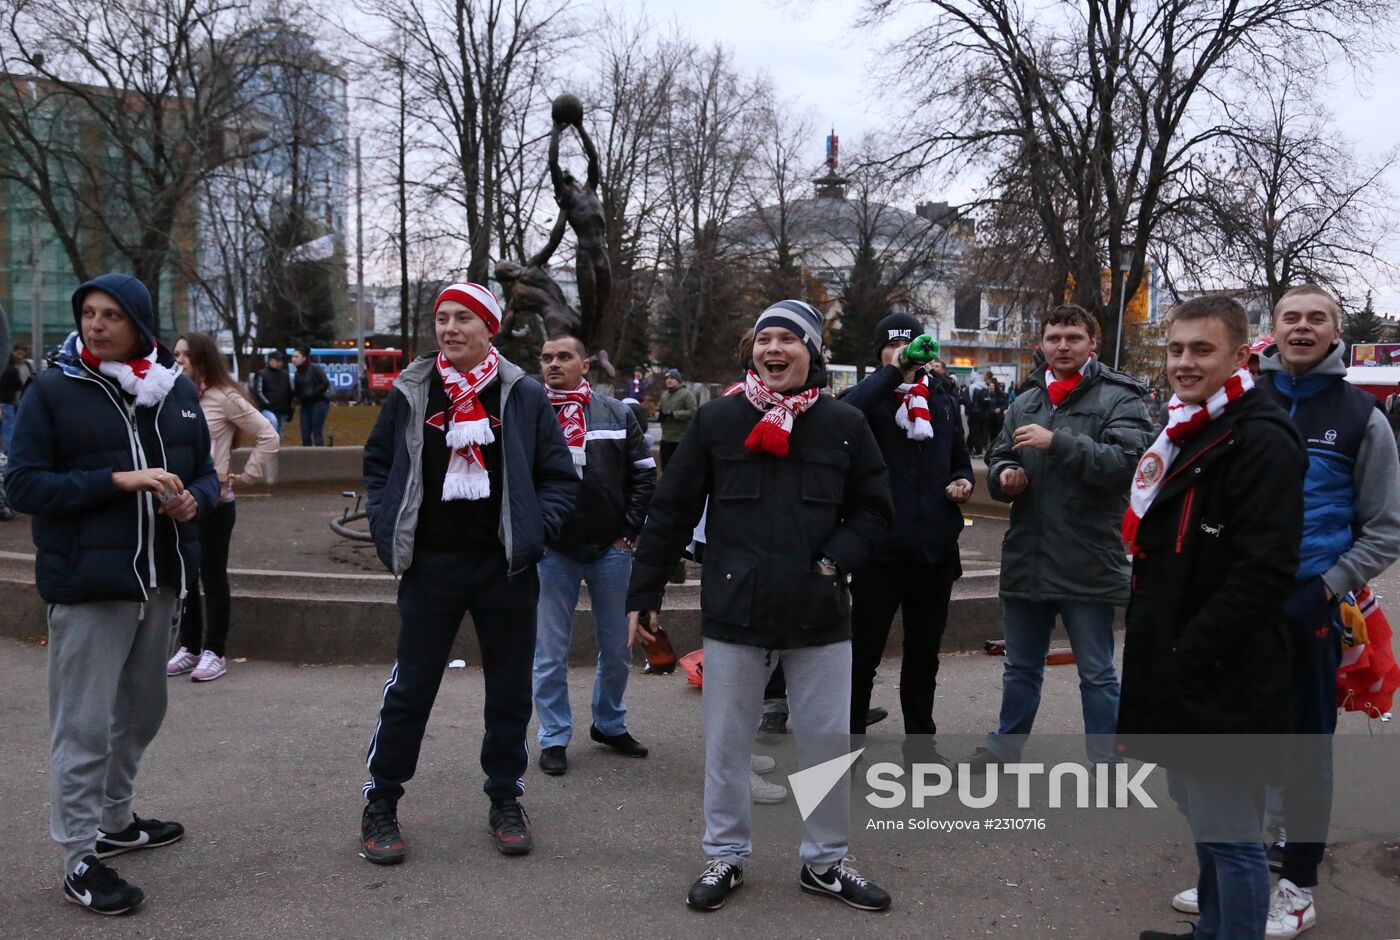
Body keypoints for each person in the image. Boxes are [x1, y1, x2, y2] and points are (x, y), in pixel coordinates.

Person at [627, 299, 894, 914]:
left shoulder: (845, 425)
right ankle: (725, 854)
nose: (774, 349)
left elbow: (876, 510)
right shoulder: (718, 420)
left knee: (826, 746)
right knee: (726, 745)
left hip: (821, 614)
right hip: (734, 615)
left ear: (814, 352)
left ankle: (825, 864)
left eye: (789, 339)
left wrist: (834, 561)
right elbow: (669, 510)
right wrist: (644, 593)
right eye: (764, 339)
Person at [6, 273, 219, 915]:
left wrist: (192, 503)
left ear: (140, 324)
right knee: (84, 726)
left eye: (111, 316)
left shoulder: (175, 390)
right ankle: (77, 856)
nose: (96, 326)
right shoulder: (54, 390)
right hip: (89, 582)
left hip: (159, 578)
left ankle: (115, 822)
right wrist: (115, 481)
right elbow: (23, 487)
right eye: (88, 314)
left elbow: (208, 475)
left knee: (142, 712)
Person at [357, 282, 577, 865]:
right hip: (431, 567)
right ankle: (381, 801)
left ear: (490, 329)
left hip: (505, 568)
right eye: (443, 319)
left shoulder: (524, 394)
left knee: (509, 692)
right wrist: (387, 529)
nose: (450, 329)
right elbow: (379, 466)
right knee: (412, 689)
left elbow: (558, 475)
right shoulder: (412, 391)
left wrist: (537, 531)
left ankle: (505, 797)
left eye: (463, 319)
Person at [1119, 296, 1307, 940]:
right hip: (1182, 656)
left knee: (1231, 835)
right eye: (1176, 349)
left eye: (1202, 350)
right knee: (1203, 816)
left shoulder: (1259, 435)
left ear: (1238, 353)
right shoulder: (1189, 426)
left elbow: (1263, 569)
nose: (1185, 362)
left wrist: (1188, 652)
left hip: (1224, 667)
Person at [1251, 285, 1400, 938]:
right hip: (1240, 606)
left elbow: (1388, 527)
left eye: (1316, 318)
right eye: (1292, 317)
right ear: (1274, 328)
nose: (1303, 327)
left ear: (1335, 330)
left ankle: (1299, 887)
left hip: (1312, 606)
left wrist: (1328, 586)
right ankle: (1237, 869)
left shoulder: (1362, 416)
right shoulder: (1242, 403)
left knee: (1304, 750)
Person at [965, 304, 1153, 770]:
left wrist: (1059, 443)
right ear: (1042, 344)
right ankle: (1004, 750)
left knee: (1097, 673)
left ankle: (1108, 763)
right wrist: (1006, 475)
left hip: (1088, 556)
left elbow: (1130, 465)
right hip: (1029, 555)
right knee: (1021, 669)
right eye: (1054, 338)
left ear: (1092, 343)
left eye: (1073, 337)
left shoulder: (1120, 397)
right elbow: (1000, 455)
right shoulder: (1027, 399)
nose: (1062, 346)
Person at [838, 313, 972, 762]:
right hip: (880, 551)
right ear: (879, 352)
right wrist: (895, 371)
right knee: (862, 658)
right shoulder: (869, 400)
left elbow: (958, 459)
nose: (905, 352)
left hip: (933, 550)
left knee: (924, 656)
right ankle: (849, 749)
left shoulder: (943, 399)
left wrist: (961, 481)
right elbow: (845, 413)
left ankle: (921, 746)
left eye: (912, 344)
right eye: (893, 346)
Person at [533, 335, 656, 776]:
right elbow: (517, 483)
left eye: (563, 357)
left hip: (611, 551)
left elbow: (645, 475)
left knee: (617, 647)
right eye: (546, 358)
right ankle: (553, 735)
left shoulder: (618, 412)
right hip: (553, 554)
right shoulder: (530, 414)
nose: (553, 364)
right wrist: (536, 536)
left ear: (585, 365)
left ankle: (608, 723)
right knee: (549, 652)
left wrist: (627, 534)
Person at [166, 333, 279, 683]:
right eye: (175, 354)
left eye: (186, 355)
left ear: (203, 359)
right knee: (184, 576)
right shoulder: (170, 395)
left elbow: (268, 434)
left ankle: (215, 650)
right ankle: (189, 646)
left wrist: (244, 476)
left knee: (212, 576)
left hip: (215, 503)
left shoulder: (223, 397)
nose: (179, 360)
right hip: (178, 502)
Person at [657, 368, 697, 469]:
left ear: (678, 380)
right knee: (665, 466)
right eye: (667, 378)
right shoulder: (664, 395)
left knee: (679, 468)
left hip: (680, 439)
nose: (669, 380)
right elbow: (659, 408)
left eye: (672, 378)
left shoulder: (687, 394)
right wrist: (659, 415)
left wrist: (674, 414)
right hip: (666, 438)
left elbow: (693, 411)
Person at [291, 346, 330, 446]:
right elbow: (297, 390)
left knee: (316, 431)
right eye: (293, 357)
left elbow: (325, 383)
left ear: (304, 358)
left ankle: (318, 456)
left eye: (296, 357)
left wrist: (313, 394)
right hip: (305, 405)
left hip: (319, 403)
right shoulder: (297, 373)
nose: (293, 359)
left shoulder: (314, 368)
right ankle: (307, 456)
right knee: (305, 433)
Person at [250, 351, 294, 433]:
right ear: (270, 361)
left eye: (281, 361)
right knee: (273, 423)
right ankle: (272, 443)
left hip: (282, 408)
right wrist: (268, 404)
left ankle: (277, 444)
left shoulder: (285, 374)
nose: (280, 363)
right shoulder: (262, 374)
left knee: (280, 429)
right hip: (268, 408)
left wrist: (291, 408)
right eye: (277, 360)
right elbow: (258, 392)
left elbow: (290, 392)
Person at [0, 343, 31, 453]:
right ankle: (8, 451)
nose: (20, 356)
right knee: (9, 425)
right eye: (18, 354)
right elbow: (18, 384)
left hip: (18, 399)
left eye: (22, 354)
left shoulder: (26, 365)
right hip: (10, 400)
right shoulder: (12, 369)